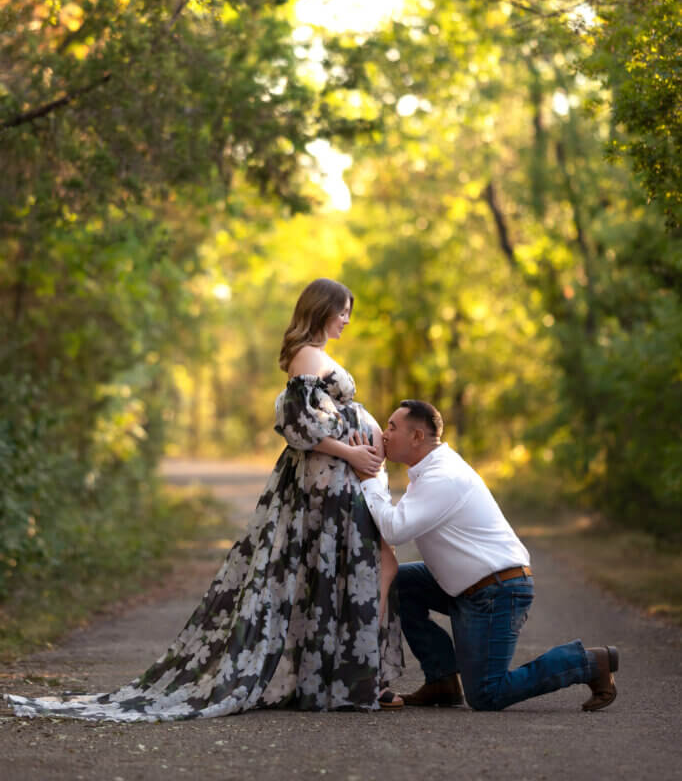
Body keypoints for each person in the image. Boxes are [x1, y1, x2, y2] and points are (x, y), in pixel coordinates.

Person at [5, 279, 403, 721]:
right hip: (325, 480)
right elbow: (300, 424)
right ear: (321, 308)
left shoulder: (315, 354)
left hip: (334, 479)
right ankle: (346, 678)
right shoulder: (307, 355)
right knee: (348, 567)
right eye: (342, 310)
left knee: (341, 569)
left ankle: (343, 676)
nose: (347, 319)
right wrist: (351, 452)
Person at [352, 399, 619, 713]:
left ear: (417, 437)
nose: (384, 434)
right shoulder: (429, 472)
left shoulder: (443, 477)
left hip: (496, 590)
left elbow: (396, 529)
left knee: (487, 694)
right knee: (401, 582)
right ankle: (443, 680)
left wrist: (369, 479)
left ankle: (589, 662)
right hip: (465, 585)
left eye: (392, 427)